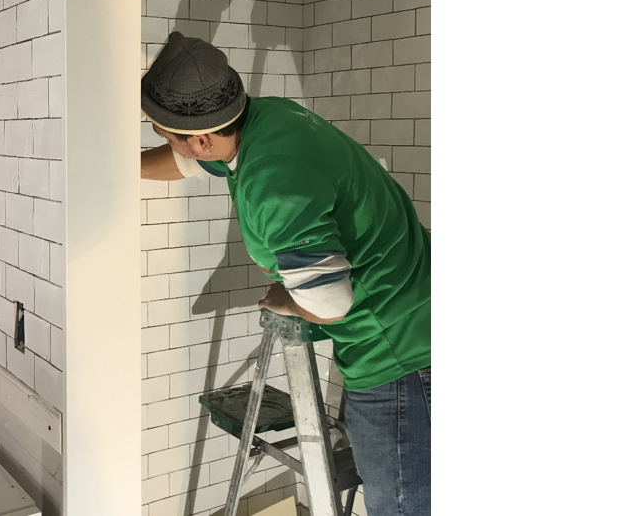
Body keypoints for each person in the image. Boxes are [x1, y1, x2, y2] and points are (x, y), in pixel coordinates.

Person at [140, 31, 431, 516]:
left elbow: (330, 303)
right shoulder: (267, 119)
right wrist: (115, 167)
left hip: (397, 353)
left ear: (204, 137)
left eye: (163, 131)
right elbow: (189, 162)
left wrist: (285, 297)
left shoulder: (271, 184)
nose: (161, 139)